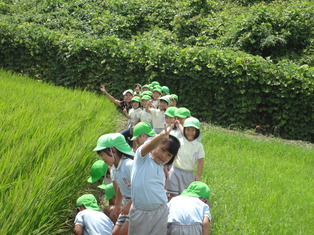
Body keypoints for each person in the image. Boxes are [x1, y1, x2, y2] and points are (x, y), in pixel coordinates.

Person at [129, 124, 181, 235]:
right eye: (162, 150)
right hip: (139, 212)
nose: (163, 156)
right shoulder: (142, 158)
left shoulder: (161, 168)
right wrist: (161, 137)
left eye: (168, 155)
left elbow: (161, 188)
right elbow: (150, 145)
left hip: (160, 211)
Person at [93, 133, 134, 235]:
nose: (102, 158)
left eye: (102, 154)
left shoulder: (129, 165)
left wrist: (129, 204)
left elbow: (142, 188)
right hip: (126, 203)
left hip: (138, 204)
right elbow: (120, 187)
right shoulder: (114, 169)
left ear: (113, 150)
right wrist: (117, 206)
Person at [167, 117, 205, 200]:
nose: (190, 133)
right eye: (188, 130)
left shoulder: (198, 146)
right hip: (175, 171)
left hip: (189, 174)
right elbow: (172, 155)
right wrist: (167, 168)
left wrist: (198, 174)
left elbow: (201, 161)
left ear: (197, 131)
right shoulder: (179, 141)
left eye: (193, 130)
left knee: (185, 197)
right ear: (184, 130)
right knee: (173, 195)